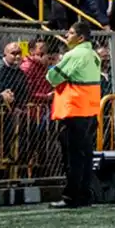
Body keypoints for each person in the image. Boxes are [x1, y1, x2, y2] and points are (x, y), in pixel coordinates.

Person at [47, 22, 102, 209]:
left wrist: (55, 71)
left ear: (80, 38)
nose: (66, 34)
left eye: (70, 32)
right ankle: (85, 195)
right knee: (86, 155)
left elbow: (53, 77)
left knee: (72, 157)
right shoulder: (93, 55)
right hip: (90, 110)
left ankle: (71, 197)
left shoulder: (74, 54)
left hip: (74, 110)